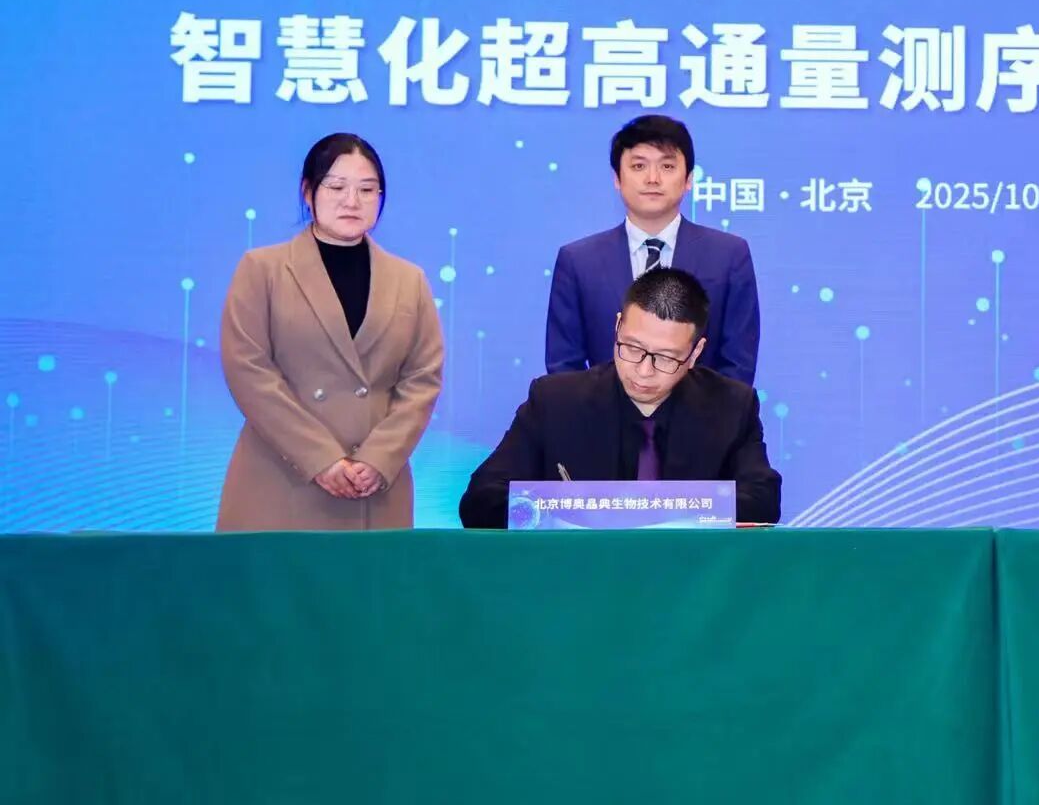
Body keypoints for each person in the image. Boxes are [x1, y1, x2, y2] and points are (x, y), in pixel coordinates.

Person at [216, 134, 444, 530]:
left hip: (374, 487)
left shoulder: (409, 280)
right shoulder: (262, 270)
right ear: (308, 192)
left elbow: (422, 379)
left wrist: (378, 458)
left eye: (367, 190)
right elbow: (249, 372)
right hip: (280, 481)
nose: (351, 201)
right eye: (337, 187)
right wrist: (321, 458)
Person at [463, 268, 781, 527]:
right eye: (632, 348)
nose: (643, 371)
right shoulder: (555, 401)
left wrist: (650, 511)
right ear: (617, 326)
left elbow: (762, 502)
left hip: (689, 579)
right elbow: (482, 500)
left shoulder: (731, 406)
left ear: (696, 352)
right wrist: (568, 508)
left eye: (666, 358)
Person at [545, 115, 760, 383]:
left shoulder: (728, 255)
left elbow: (738, 363)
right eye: (638, 166)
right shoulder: (578, 261)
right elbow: (564, 366)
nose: (652, 178)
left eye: (667, 166)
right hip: (602, 409)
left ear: (689, 178)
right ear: (617, 178)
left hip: (703, 409)